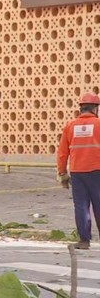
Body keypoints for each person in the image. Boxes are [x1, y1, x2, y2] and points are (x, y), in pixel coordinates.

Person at [58, 92, 100, 250]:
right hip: (97, 171)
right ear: (95, 108)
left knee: (81, 206)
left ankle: (84, 241)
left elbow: (62, 153)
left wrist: (62, 173)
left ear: (81, 108)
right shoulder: (99, 124)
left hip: (77, 172)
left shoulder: (70, 126)